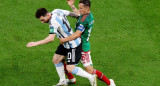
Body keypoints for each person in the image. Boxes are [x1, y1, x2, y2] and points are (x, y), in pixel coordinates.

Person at [26, 8, 97, 86]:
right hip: (65, 43)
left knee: (70, 68)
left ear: (48, 15)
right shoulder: (56, 11)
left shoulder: (53, 22)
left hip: (72, 45)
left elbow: (51, 38)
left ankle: (91, 77)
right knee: (56, 60)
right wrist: (78, 16)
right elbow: (72, 14)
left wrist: (36, 43)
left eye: (43, 20)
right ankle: (63, 81)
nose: (42, 22)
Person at [59, 0, 116, 86]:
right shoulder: (88, 14)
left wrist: (64, 39)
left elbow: (77, 34)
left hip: (82, 46)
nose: (79, 10)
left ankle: (109, 82)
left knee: (89, 70)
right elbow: (78, 14)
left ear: (87, 8)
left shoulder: (84, 20)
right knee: (60, 58)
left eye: (81, 8)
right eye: (79, 8)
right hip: (76, 43)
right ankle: (71, 79)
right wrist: (72, 5)